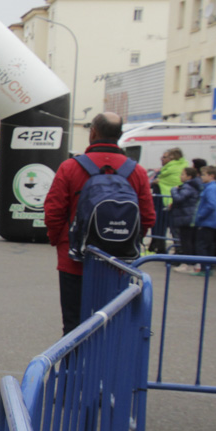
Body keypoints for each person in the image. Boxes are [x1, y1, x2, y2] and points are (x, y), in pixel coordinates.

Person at [44, 112, 156, 335]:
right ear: (120, 135)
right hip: (118, 262)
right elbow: (148, 216)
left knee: (74, 324)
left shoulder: (70, 167)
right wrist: (128, 242)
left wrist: (60, 241)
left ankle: (72, 369)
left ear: (93, 132)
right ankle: (105, 369)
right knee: (111, 322)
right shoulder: (137, 171)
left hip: (75, 259)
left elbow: (53, 211)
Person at [169, 167, 203, 272]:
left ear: (189, 176)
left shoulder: (188, 187)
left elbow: (179, 198)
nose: (180, 176)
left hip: (186, 216)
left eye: (183, 174)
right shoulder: (192, 186)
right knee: (188, 240)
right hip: (187, 216)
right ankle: (190, 263)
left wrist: (173, 190)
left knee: (186, 241)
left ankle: (187, 263)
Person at [193, 165, 216, 274]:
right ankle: (207, 268)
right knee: (207, 245)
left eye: (204, 175)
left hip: (207, 222)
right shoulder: (212, 187)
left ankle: (205, 269)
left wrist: (200, 215)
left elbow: (211, 205)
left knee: (202, 246)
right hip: (210, 221)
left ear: (212, 176)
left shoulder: (210, 188)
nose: (201, 177)